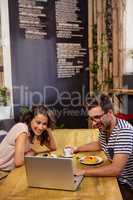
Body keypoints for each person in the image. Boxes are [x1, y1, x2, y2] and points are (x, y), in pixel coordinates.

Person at [73, 94, 133, 200]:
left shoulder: (124, 131)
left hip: (127, 185)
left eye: (97, 117)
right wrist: (77, 149)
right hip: (116, 180)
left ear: (110, 113)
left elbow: (115, 169)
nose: (93, 123)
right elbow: (100, 144)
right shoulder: (105, 128)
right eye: (91, 119)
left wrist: (83, 171)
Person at [0, 105, 57, 171]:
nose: (40, 127)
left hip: (13, 170)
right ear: (31, 119)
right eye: (38, 122)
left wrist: (49, 129)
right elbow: (18, 162)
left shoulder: (34, 132)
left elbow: (53, 147)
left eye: (44, 124)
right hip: (2, 172)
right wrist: (31, 153)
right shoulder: (22, 129)